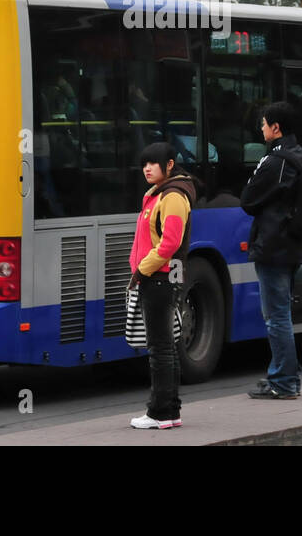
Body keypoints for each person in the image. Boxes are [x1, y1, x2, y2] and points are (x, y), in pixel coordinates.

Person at [240, 101, 302, 400]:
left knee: (276, 317)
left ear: (276, 128)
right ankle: (286, 377)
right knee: (283, 314)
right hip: (293, 244)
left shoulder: (273, 162)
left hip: (272, 246)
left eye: (264, 124)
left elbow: (248, 200)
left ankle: (283, 382)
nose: (261, 129)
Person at [127, 142, 195, 429]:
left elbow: (170, 242)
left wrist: (143, 269)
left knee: (160, 347)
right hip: (158, 276)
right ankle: (171, 410)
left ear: (169, 165)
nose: (147, 168)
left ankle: (160, 412)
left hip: (160, 278)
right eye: (144, 163)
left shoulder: (173, 196)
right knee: (166, 345)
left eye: (153, 163)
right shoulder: (159, 194)